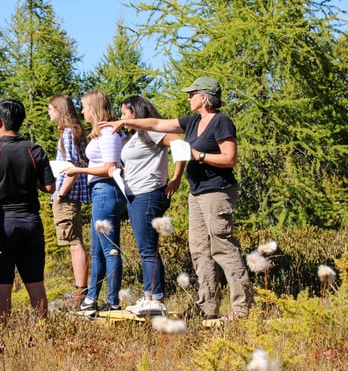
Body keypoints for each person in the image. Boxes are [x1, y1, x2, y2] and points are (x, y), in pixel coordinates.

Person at [99, 77, 253, 320]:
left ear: (204, 97)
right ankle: (207, 307)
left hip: (217, 191)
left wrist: (198, 154)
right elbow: (157, 123)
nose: (188, 97)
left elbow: (230, 158)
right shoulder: (192, 121)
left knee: (222, 246)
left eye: (192, 94)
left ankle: (241, 309)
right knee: (200, 250)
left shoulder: (221, 121)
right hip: (197, 192)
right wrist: (125, 121)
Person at [0, 99, 56, 323]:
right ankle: (43, 329)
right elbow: (50, 187)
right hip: (30, 221)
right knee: (35, 281)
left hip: (2, 224)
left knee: (2, 283)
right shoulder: (35, 150)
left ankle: (3, 331)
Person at [117, 95, 185, 316]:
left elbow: (180, 144)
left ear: (135, 112)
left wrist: (176, 178)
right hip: (136, 195)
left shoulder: (151, 131)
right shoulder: (137, 135)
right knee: (146, 248)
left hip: (147, 194)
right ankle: (149, 297)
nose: (121, 118)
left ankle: (156, 299)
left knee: (148, 249)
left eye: (124, 114)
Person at [64, 89, 127, 316]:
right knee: (98, 249)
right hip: (100, 192)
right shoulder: (106, 132)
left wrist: (80, 170)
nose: (82, 111)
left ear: (94, 108)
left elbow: (110, 167)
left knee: (109, 249)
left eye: (85, 107)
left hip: (105, 190)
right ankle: (92, 298)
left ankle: (113, 301)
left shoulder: (109, 133)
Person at [47, 94, 91, 307]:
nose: (49, 113)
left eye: (51, 109)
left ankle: (80, 292)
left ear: (60, 110)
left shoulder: (68, 134)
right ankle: (80, 290)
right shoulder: (73, 133)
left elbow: (72, 168)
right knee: (73, 242)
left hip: (68, 196)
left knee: (74, 243)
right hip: (70, 195)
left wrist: (61, 194)